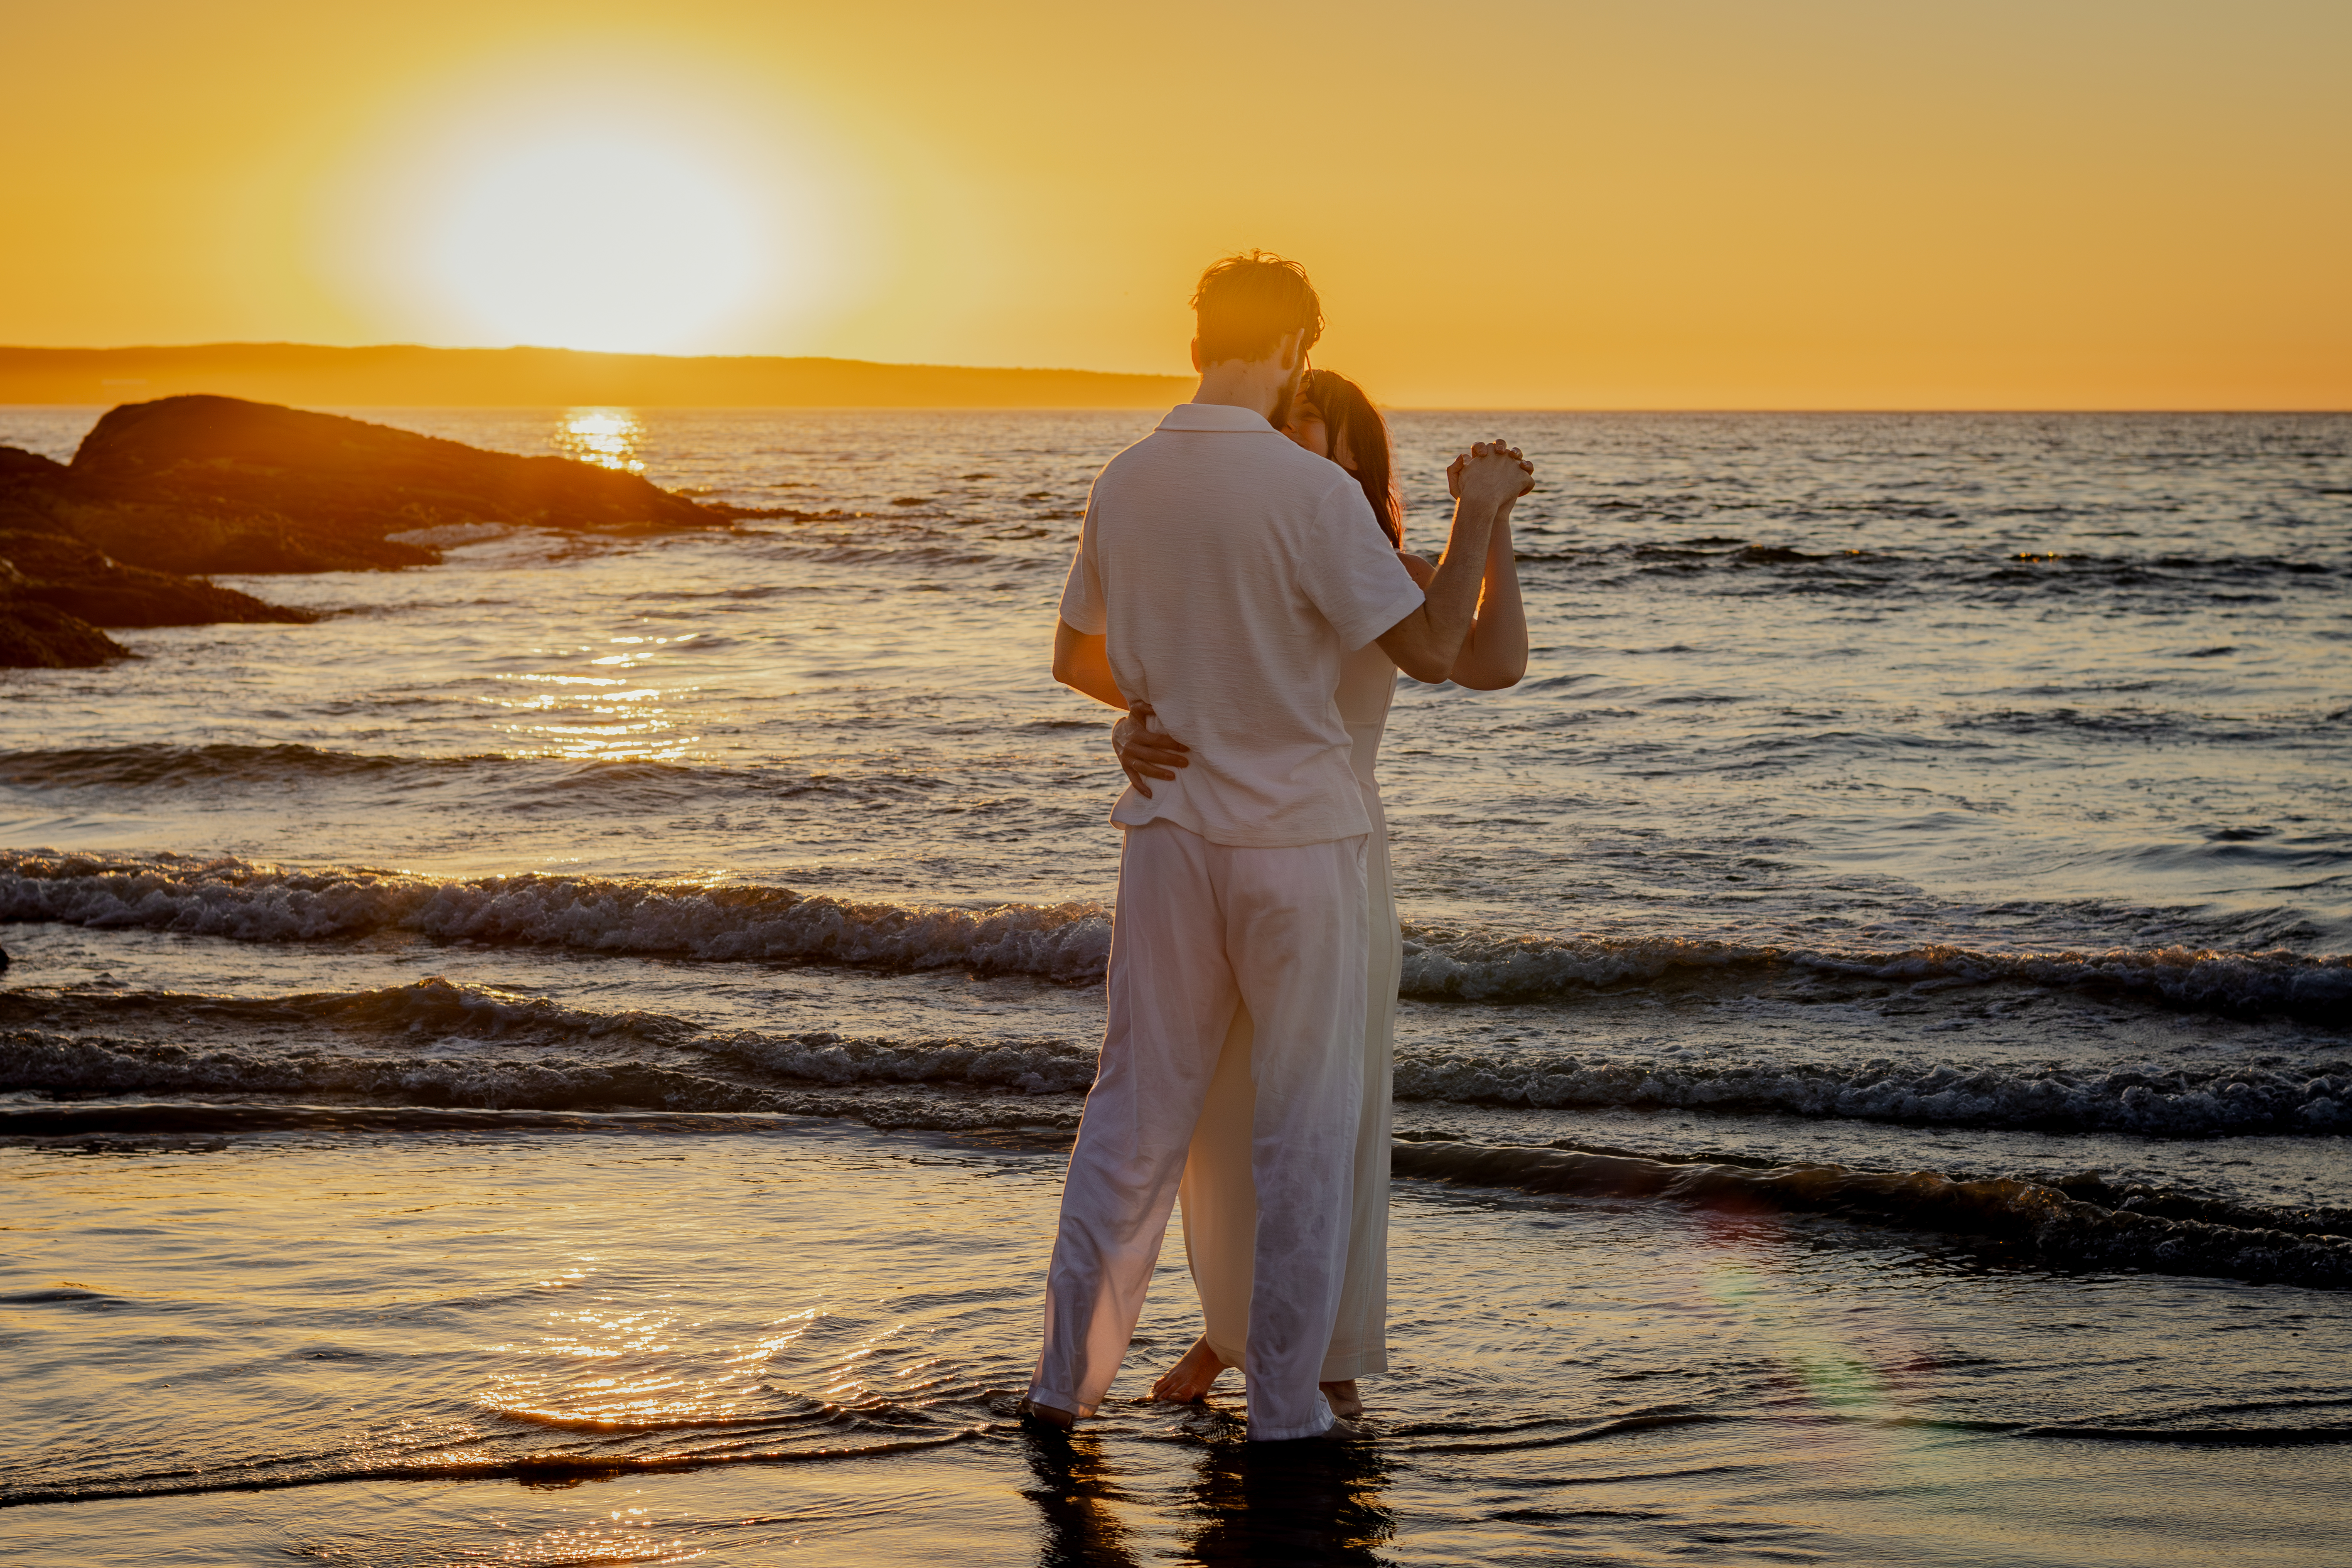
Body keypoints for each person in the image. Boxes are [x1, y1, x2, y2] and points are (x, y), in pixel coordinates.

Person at [1025, 251, 1532, 1442]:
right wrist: (1476, 514)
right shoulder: (1306, 494)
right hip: (1300, 846)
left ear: (1194, 343)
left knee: (1133, 1116)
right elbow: (1426, 648)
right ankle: (1290, 1412)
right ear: (1299, 345)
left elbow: (1076, 659)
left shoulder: (1128, 478)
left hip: (1167, 841)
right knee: (1301, 1128)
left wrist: (1148, 715)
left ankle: (1062, 1389)